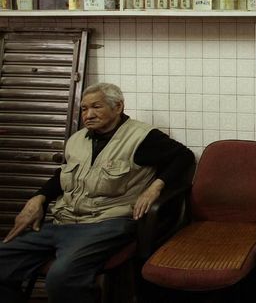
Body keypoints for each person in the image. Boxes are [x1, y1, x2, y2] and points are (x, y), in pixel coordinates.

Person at [0, 82, 195, 303]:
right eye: (84, 108)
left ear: (118, 106)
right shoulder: (77, 140)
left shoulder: (141, 137)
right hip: (64, 221)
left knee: (62, 276)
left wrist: (155, 187)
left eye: (96, 107)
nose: (88, 114)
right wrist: (39, 197)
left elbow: (184, 157)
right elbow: (63, 175)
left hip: (108, 222)